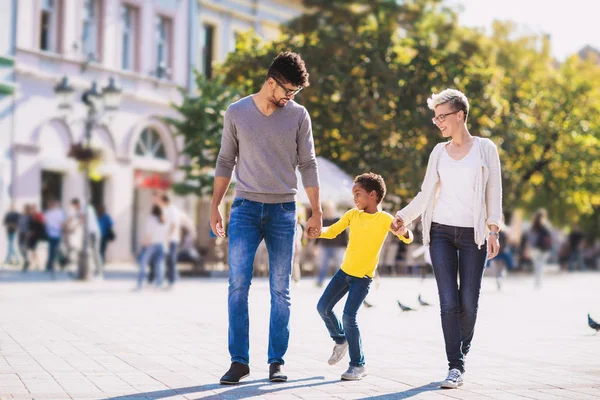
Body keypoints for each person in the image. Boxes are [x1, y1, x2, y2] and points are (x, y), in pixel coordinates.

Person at [210, 51, 322, 385]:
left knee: (280, 289)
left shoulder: (299, 116)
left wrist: (316, 211)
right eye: (287, 90)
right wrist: (215, 204)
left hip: (284, 211)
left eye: (295, 93)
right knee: (237, 286)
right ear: (270, 82)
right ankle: (239, 361)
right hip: (244, 208)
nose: (290, 97)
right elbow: (225, 160)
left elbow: (309, 164)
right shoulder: (236, 112)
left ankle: (276, 361)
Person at [391, 89, 502, 389]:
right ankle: (455, 365)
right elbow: (426, 193)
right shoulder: (438, 152)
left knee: (469, 301)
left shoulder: (485, 149)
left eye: (442, 116)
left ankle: (460, 350)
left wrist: (494, 229)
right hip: (440, 231)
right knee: (448, 301)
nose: (437, 122)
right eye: (435, 117)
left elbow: (494, 192)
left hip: (473, 234)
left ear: (460, 115)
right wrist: (403, 216)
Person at [315, 173, 413, 381]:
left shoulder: (384, 219)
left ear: (372, 195)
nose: (354, 199)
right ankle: (340, 340)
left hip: (363, 278)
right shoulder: (353, 214)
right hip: (344, 273)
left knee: (349, 317)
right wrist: (318, 231)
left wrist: (404, 232)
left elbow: (407, 238)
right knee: (323, 307)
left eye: (357, 194)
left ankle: (358, 365)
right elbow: (333, 231)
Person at [136, 205, 168, 290]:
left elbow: (149, 233)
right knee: (159, 265)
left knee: (143, 263)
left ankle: (140, 284)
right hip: (161, 244)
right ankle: (159, 284)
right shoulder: (164, 220)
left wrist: (144, 244)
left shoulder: (151, 219)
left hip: (151, 244)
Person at [316, 201, 348, 287]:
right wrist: (316, 246)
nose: (329, 211)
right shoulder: (323, 221)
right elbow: (318, 234)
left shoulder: (339, 220)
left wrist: (345, 246)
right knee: (323, 265)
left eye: (331, 209)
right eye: (328, 209)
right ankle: (320, 281)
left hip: (338, 247)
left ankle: (340, 282)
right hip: (325, 246)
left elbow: (344, 234)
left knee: (339, 265)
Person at [527, 208, 553, 288]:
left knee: (537, 265)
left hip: (534, 249)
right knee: (540, 265)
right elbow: (549, 237)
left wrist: (529, 247)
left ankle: (537, 281)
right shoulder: (546, 226)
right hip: (543, 249)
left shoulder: (533, 225)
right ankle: (538, 281)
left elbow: (530, 237)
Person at [43, 199, 66, 277]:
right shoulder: (48, 213)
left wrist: (63, 231)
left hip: (57, 233)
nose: (49, 206)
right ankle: (51, 265)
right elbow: (45, 222)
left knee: (56, 249)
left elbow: (62, 223)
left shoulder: (59, 212)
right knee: (51, 249)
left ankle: (58, 263)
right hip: (50, 233)